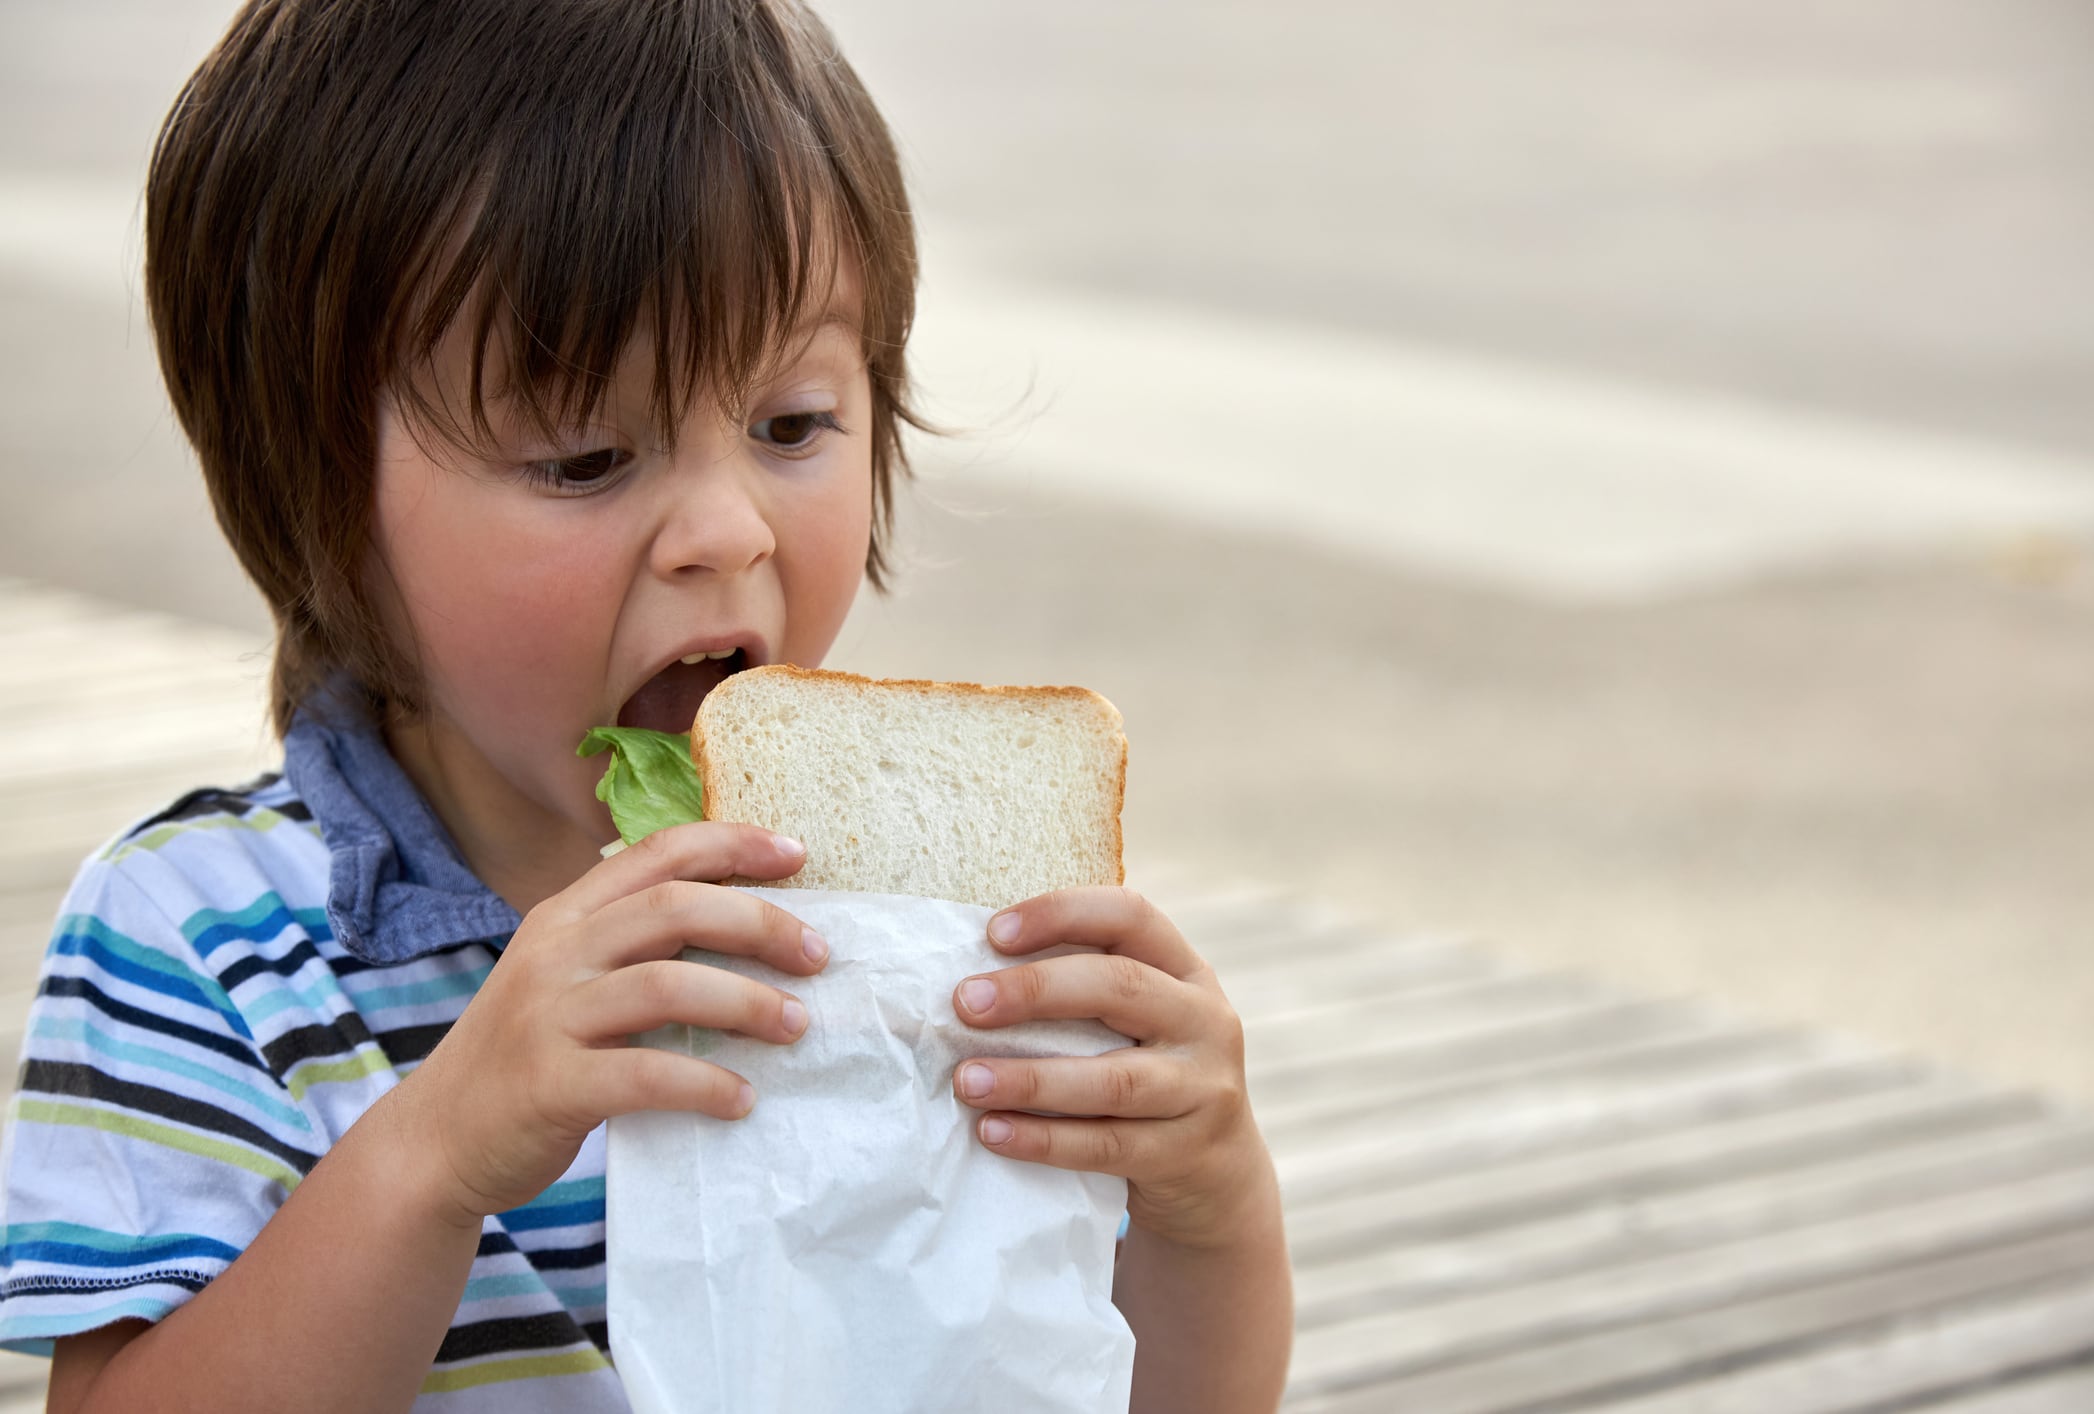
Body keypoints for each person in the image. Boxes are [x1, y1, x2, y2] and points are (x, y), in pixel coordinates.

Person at [0, 0, 1294, 1410]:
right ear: (316, 503)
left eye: (793, 424)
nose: (725, 531)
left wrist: (1202, 1200)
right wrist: (442, 1151)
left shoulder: (924, 936)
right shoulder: (205, 940)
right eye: (589, 454)